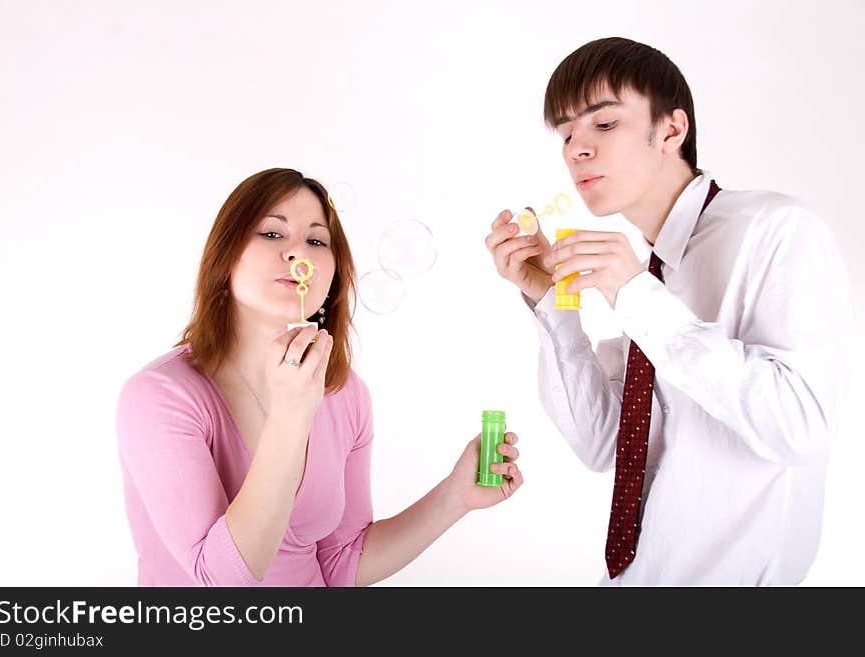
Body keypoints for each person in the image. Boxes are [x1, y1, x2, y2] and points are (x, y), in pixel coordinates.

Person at [485, 37, 852, 585]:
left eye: (603, 125)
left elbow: (799, 427)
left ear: (672, 130)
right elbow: (603, 443)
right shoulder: (650, 273)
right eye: (565, 133)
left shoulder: (775, 229)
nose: (576, 149)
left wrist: (636, 296)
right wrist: (550, 302)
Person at [116, 167, 523, 586]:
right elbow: (220, 580)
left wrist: (454, 497)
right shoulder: (159, 396)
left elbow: (341, 563)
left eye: (316, 240)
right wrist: (290, 415)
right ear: (224, 259)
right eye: (272, 234)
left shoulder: (346, 395)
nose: (299, 254)